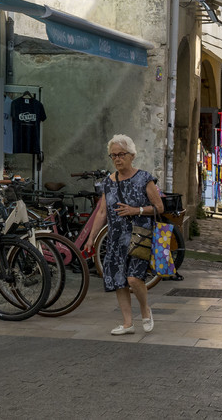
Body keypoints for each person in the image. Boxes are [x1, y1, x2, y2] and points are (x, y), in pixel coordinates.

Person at [91, 133, 165, 335]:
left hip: (140, 237)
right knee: (119, 281)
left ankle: (145, 308)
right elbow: (102, 212)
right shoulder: (108, 182)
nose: (117, 159)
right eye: (113, 155)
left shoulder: (144, 178)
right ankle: (127, 323)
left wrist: (136, 210)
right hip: (115, 239)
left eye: (121, 154)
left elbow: (159, 207)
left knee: (133, 279)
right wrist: (91, 238)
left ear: (131, 155)